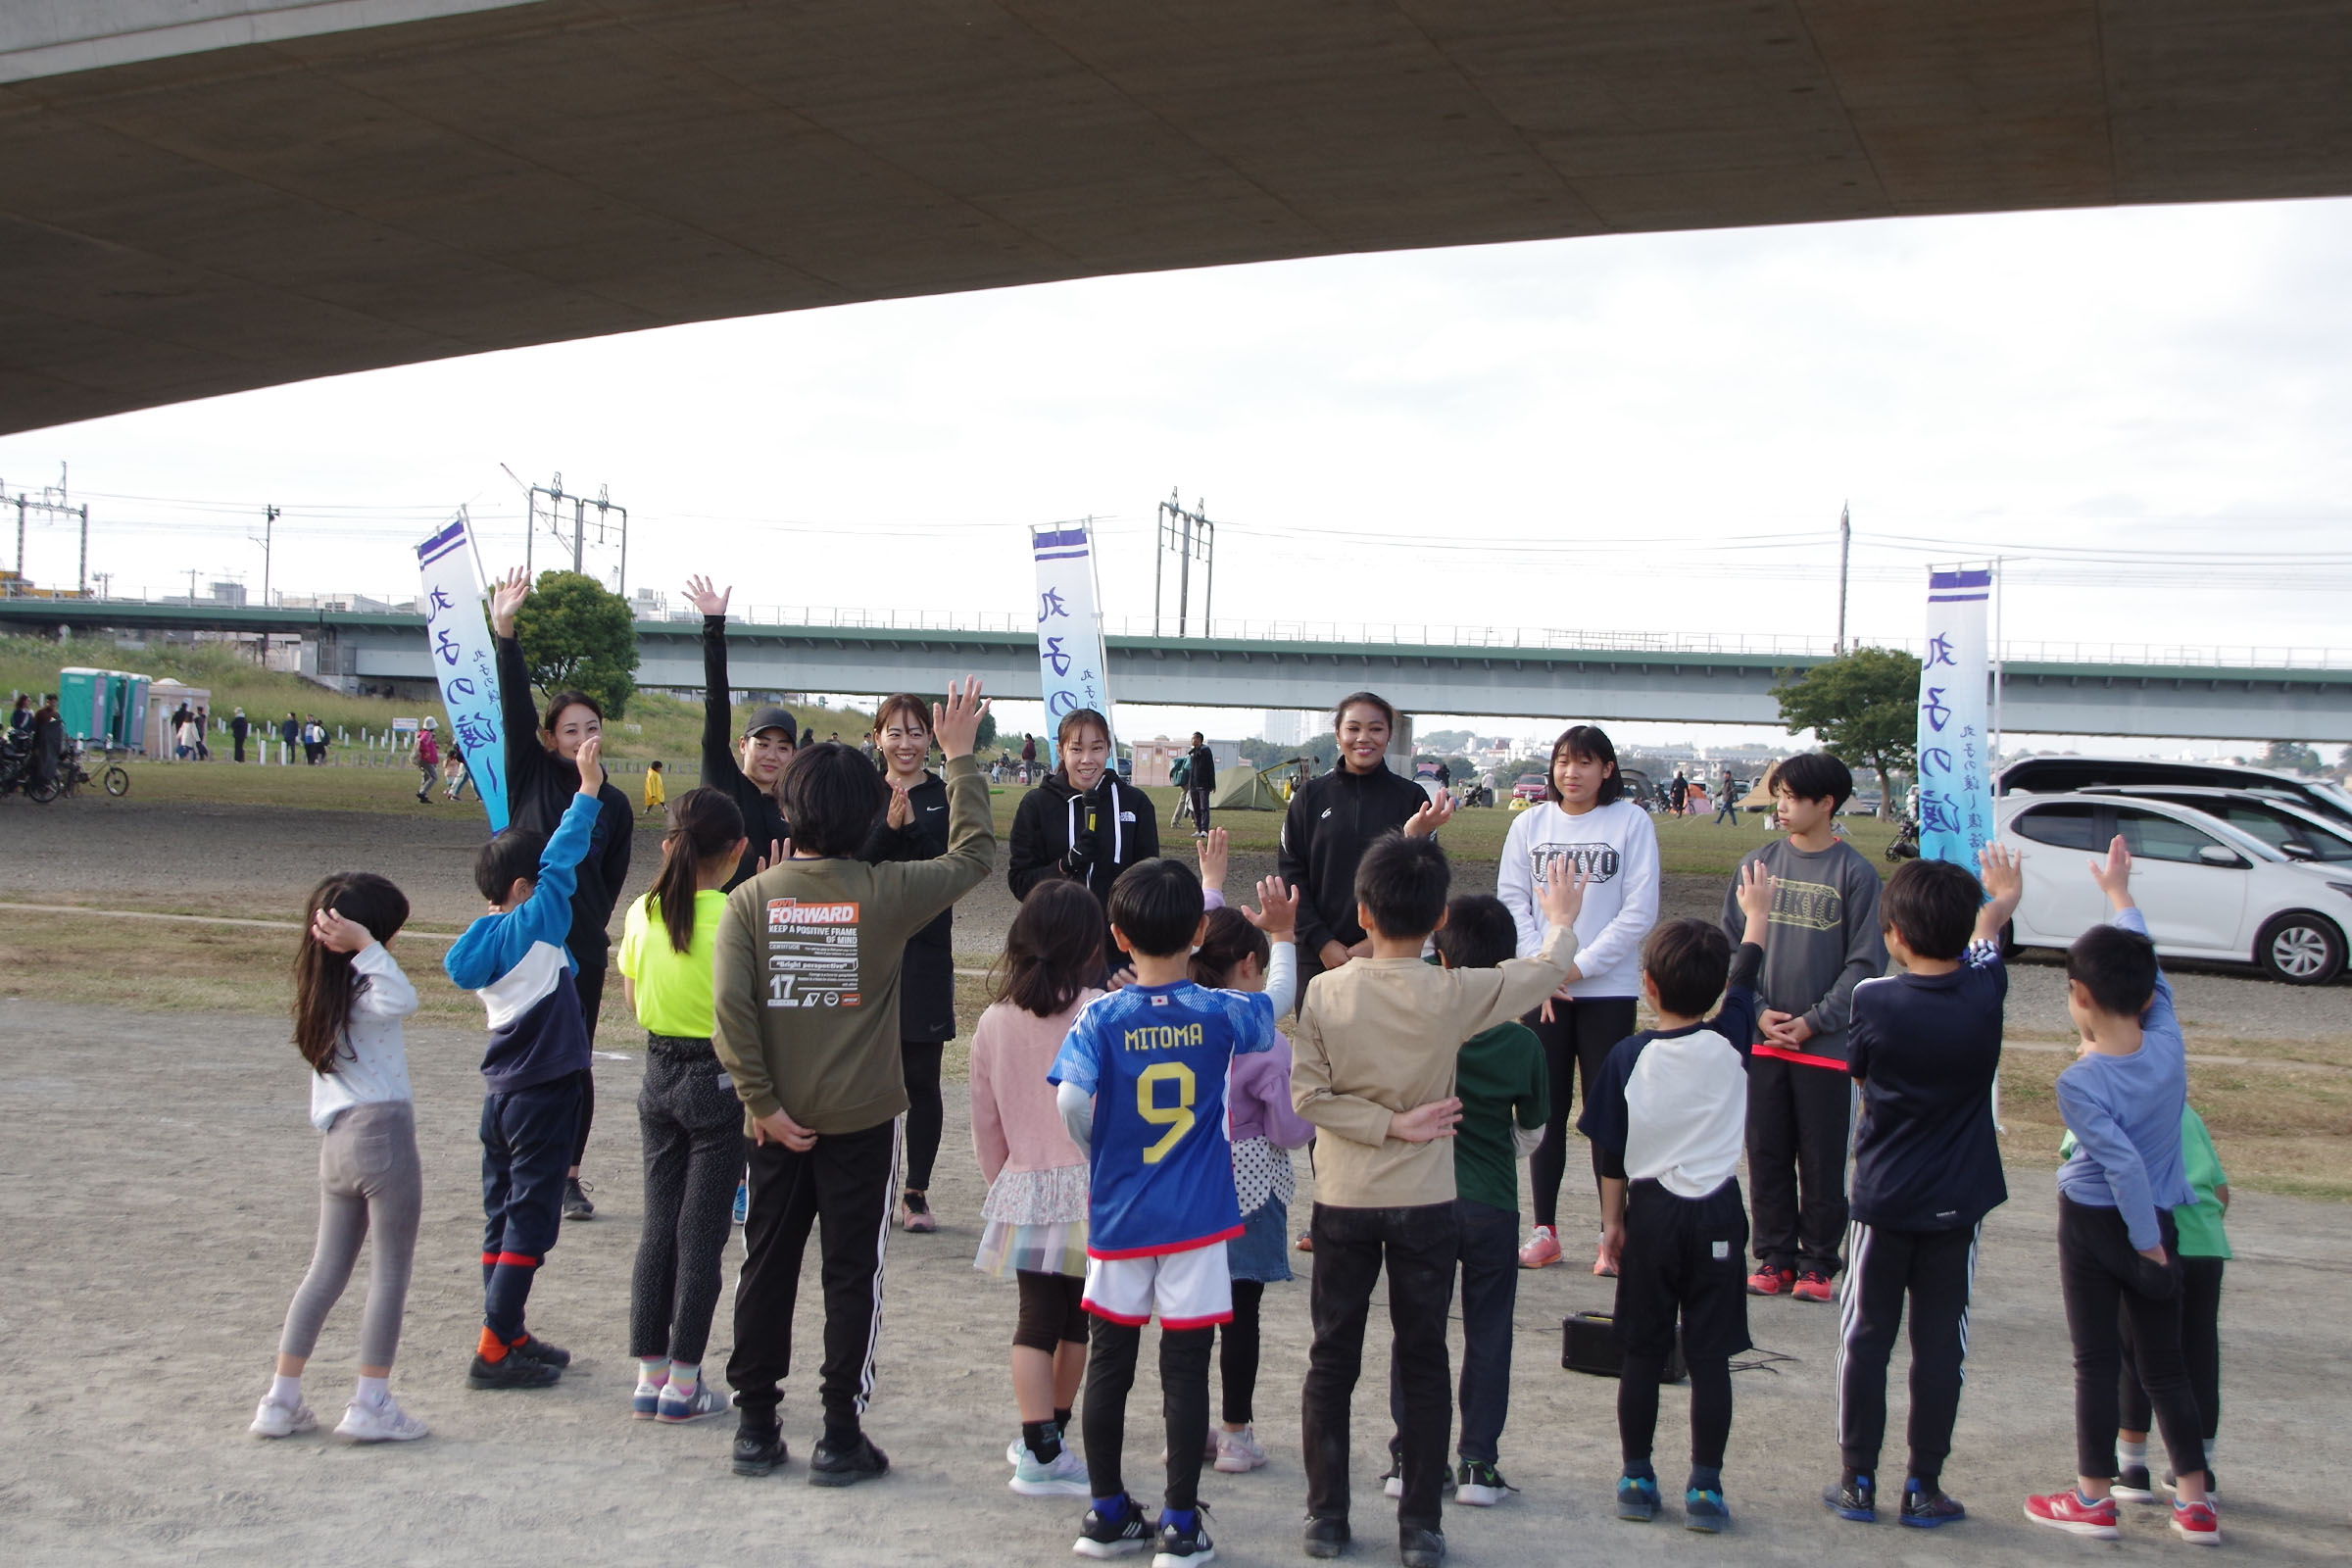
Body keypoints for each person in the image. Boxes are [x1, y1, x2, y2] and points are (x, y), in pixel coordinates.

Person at [712, 682, 995, 1485]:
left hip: (773, 1126)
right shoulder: (886, 893)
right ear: (869, 813)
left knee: (765, 1264)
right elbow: (974, 856)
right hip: (863, 1123)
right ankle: (840, 1432)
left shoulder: (750, 903)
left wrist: (762, 1105)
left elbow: (730, 1019)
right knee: (851, 1273)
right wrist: (961, 755)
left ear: (790, 809)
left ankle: (756, 1426)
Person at [1292, 835, 1585, 1568]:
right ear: (1438, 919)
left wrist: (1379, 1124)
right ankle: (1420, 1526)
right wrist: (1561, 915)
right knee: (1423, 1358)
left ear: (1362, 912)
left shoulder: (1328, 990)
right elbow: (1545, 971)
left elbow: (1308, 1098)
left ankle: (1326, 1518)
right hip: (1426, 1200)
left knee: (1333, 1358)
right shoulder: (1453, 993)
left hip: (1346, 1198)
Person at [1048, 858, 1292, 1566]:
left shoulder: (1100, 1014)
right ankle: (1181, 1524)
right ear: (1196, 932)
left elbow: (1070, 1100)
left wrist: (1104, 1153)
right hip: (1196, 1218)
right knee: (1186, 1368)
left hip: (1123, 1214)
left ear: (1117, 936)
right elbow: (1279, 999)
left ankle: (1105, 1511)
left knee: (1111, 1364)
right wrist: (1285, 935)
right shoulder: (1221, 1012)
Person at [2024, 837, 2216, 1544]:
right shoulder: (2167, 1041)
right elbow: (2150, 972)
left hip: (2099, 1225)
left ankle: (2093, 1498)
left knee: (2096, 1360)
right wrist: (2120, 897)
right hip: (2160, 1220)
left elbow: (2121, 1167)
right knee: (2166, 1365)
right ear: (2143, 996)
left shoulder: (2079, 1082)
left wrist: (2142, 1247)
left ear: (2078, 998)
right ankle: (2195, 1502)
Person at [1824, 848, 2023, 1529]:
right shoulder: (1983, 993)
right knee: (1941, 1345)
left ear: (1895, 936)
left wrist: (1987, 909)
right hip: (1957, 1198)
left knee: (1866, 1339)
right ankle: (1923, 1484)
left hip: (1883, 1196)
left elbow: (1860, 1077)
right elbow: (1987, 939)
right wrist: (2001, 898)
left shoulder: (1873, 998)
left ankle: (1856, 1478)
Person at [1582, 873, 1772, 1534]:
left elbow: (1610, 1153)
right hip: (1718, 1210)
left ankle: (1637, 1475)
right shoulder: (1732, 1040)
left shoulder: (1628, 1057)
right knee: (1711, 1356)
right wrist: (1756, 917)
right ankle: (1706, 1487)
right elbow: (1747, 974)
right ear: (1715, 990)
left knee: (1641, 1350)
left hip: (1654, 1211)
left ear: (1649, 986)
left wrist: (1612, 1224)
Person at [441, 735, 608, 1392]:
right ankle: (492, 1348)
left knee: (501, 1213)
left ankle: (506, 1330)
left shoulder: (481, 942)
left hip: (502, 1098)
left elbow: (479, 944)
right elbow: (564, 859)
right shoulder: (535, 922)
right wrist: (588, 791)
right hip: (544, 1096)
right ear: (520, 888)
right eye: (537, 883)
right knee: (531, 1221)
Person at [1378, 893, 1547, 1510]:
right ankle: (1478, 1461)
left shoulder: (1421, 1029)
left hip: (1424, 1197)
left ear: (1442, 961)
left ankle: (1407, 1457)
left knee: (1417, 1331)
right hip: (1493, 1202)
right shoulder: (1521, 1040)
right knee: (1490, 1331)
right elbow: (1532, 1130)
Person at [249, 871, 428, 1445]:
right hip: (383, 1136)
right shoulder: (369, 985)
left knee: (325, 1272)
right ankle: (371, 1402)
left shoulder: (321, 992)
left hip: (337, 1142)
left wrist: (356, 945)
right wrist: (368, 947)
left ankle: (281, 1398)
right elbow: (404, 998)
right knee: (390, 1271)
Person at [491, 567, 636, 1223]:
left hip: (579, 947)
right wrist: (506, 632)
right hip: (525, 942)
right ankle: (519, 1164)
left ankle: (569, 1176)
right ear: (553, 738)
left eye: (592, 727)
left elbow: (608, 884)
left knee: (574, 1061)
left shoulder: (616, 803)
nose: (583, 738)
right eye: (570, 729)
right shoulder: (531, 770)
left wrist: (583, 932)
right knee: (521, 1054)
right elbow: (514, 705)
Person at [1723, 751, 1886, 1303]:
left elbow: (1866, 963)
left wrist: (1816, 1021)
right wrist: (1758, 1008)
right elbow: (1732, 945)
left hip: (1826, 1049)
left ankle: (1818, 1262)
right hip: (1763, 1043)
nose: (1782, 807)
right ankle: (1773, 1257)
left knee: (1821, 1159)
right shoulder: (1757, 865)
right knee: (1766, 1152)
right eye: (1780, 795)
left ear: (1827, 804)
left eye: (1794, 798)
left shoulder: (1856, 874)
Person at [1498, 723, 1661, 1275]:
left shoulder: (1630, 822)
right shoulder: (1529, 824)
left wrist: (1577, 964)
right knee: (1546, 1107)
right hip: (1544, 990)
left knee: (1606, 1109)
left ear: (1607, 770)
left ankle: (1611, 1233)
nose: (1573, 773)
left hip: (1606, 988)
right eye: (1564, 762)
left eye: (1586, 762)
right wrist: (1545, 969)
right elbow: (1512, 903)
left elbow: (1639, 911)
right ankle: (1544, 1228)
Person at [968, 880, 1105, 1498]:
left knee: (1033, 1321)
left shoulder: (993, 1021)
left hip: (1023, 1185)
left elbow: (985, 1123)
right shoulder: (1100, 1010)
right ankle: (1046, 1446)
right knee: (1075, 1324)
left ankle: (1038, 1441)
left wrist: (1007, 1181)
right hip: (1092, 1190)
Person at [619, 787, 751, 1426]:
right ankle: (685, 1380)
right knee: (702, 1238)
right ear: (736, 853)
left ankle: (649, 1373)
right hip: (716, 1079)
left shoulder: (644, 909)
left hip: (657, 1073)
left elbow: (630, 993)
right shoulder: (733, 915)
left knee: (658, 1227)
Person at [1188, 897, 1307, 1477]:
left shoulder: (1180, 1021)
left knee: (1188, 1314)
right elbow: (1287, 1128)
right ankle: (1236, 1431)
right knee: (1241, 1313)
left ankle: (1184, 1429)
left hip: (1189, 1178)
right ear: (1249, 965)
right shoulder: (1266, 1041)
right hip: (1252, 1184)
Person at [862, 694, 960, 1234]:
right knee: (863, 1076)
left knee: (921, 1077)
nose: (905, 743)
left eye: (916, 732)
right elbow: (852, 868)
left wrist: (912, 829)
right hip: (865, 953)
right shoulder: (859, 794)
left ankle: (915, 1192)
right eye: (894, 733)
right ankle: (867, 1186)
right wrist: (886, 829)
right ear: (878, 737)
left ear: (931, 739)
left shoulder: (946, 797)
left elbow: (951, 870)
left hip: (924, 952)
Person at [2099, 1103, 2229, 1503]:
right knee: (2199, 1356)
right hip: (2204, 1245)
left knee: (2135, 1353)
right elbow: (2221, 1192)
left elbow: (2086, 1172)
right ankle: (2197, 1469)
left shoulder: (2109, 1106)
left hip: (2150, 1243)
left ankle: (2132, 1466)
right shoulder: (2188, 1114)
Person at [1005, 707, 1160, 977]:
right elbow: (1020, 883)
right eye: (1076, 750)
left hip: (1118, 960)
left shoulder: (1135, 804)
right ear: (1061, 750)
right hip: (1054, 956)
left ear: (1108, 749)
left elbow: (1151, 883)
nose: (1087, 760)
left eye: (1096, 748)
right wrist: (1064, 866)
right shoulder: (1036, 805)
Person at [683, 575, 792, 890]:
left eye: (783, 747)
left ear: (794, 755)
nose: (772, 754)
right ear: (743, 745)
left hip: (775, 921)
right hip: (718, 921)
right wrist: (713, 627)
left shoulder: (796, 804)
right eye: (763, 743)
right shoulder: (722, 782)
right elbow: (716, 705)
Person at [1185, 732, 1216, 839]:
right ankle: (1198, 829)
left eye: (1194, 738)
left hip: (1203, 785)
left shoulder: (1205, 751)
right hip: (1193, 784)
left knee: (1204, 808)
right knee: (1196, 808)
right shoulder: (1192, 752)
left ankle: (1204, 830)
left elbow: (1210, 768)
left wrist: (1212, 784)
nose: (1193, 740)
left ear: (1199, 740)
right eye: (1192, 738)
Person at [414, 719, 440, 805]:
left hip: (424, 759)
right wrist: (427, 752)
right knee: (434, 777)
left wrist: (434, 746)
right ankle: (422, 792)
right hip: (426, 759)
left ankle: (423, 796)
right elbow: (422, 742)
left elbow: (424, 742)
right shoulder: (428, 734)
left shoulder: (424, 733)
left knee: (426, 776)